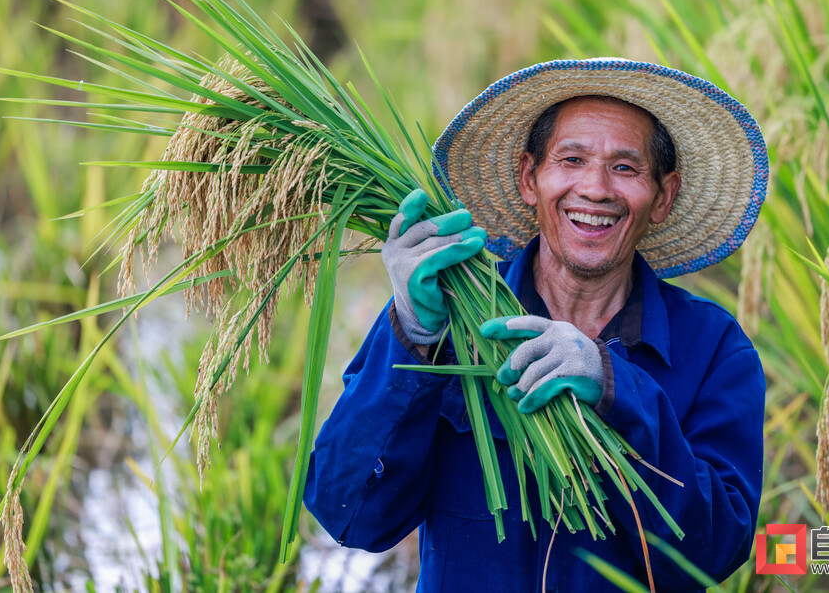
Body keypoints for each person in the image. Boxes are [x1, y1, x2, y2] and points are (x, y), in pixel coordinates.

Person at [303, 58, 768, 591]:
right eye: (571, 160)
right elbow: (350, 515)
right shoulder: (448, 318)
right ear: (530, 178)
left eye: (625, 168)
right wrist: (413, 332)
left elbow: (715, 551)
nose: (595, 189)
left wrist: (615, 388)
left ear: (662, 196)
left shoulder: (713, 350)